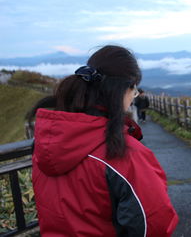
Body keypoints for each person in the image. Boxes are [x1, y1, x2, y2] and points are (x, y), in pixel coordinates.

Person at [28, 45, 178, 236]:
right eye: (133, 87)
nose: (134, 95)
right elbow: (153, 224)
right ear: (121, 89)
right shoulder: (123, 154)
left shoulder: (44, 144)